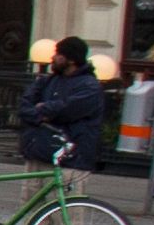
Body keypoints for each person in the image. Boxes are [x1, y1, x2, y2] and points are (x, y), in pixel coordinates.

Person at [17, 36, 105, 172]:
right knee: (32, 193)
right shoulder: (47, 81)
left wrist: (42, 108)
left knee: (65, 194)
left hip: (70, 161)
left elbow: (67, 110)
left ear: (71, 60)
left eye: (59, 54)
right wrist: (42, 114)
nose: (53, 57)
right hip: (37, 155)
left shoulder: (90, 86)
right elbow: (24, 106)